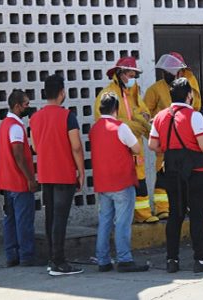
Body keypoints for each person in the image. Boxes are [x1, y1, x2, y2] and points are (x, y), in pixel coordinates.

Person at [148, 78, 203, 273]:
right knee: (197, 217)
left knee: (175, 216)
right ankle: (201, 260)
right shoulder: (194, 116)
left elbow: (153, 146)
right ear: (189, 95)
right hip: (195, 173)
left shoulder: (160, 117)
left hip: (172, 173)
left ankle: (172, 260)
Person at [144, 52, 203, 219]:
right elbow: (145, 112)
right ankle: (162, 208)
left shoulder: (189, 85)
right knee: (163, 175)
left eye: (172, 71)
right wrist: (153, 128)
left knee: (189, 175)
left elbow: (196, 104)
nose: (168, 74)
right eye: (166, 71)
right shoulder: (155, 89)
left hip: (186, 139)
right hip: (166, 140)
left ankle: (192, 205)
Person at [30, 74, 85, 276]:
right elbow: (77, 147)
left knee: (50, 217)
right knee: (60, 219)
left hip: (45, 174)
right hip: (64, 173)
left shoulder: (35, 118)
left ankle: (53, 259)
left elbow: (35, 147)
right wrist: (81, 171)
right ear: (62, 92)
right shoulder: (68, 116)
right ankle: (59, 262)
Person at [94, 57, 159, 224]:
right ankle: (123, 219)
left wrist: (144, 125)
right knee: (121, 185)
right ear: (120, 74)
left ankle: (143, 214)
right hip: (118, 149)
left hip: (135, 146)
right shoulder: (107, 94)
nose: (133, 79)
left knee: (140, 180)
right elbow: (103, 122)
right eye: (130, 75)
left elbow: (144, 115)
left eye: (134, 75)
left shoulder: (135, 93)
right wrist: (134, 125)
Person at [90, 92, 149, 273]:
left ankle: (103, 260)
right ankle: (124, 259)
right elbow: (137, 148)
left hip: (103, 182)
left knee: (105, 221)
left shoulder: (94, 128)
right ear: (116, 109)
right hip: (122, 181)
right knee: (122, 222)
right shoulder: (120, 127)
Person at [0, 90, 37, 266]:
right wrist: (30, 178)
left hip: (7, 181)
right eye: (26, 104)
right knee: (24, 221)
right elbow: (18, 155)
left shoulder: (5, 124)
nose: (28, 107)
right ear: (17, 106)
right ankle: (27, 256)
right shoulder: (15, 126)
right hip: (19, 182)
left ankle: (11, 256)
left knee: (10, 220)